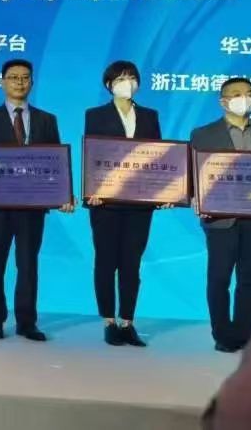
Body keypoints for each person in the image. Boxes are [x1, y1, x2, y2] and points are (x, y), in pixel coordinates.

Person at [0, 58, 74, 342]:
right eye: (13, 77)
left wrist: (64, 195)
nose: (19, 82)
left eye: (25, 77)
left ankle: (27, 322)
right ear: (2, 82)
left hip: (32, 208)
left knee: (28, 264)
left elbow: (55, 163)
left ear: (32, 82)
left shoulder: (47, 120)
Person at [84, 61, 169, 348]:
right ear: (109, 84)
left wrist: (164, 192)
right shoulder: (95, 115)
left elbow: (158, 157)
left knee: (132, 264)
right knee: (106, 262)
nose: (127, 82)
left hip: (139, 203)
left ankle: (127, 322)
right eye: (121, 78)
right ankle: (109, 322)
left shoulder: (150, 116)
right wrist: (91, 191)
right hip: (105, 203)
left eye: (132, 77)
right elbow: (93, 156)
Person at [190, 77, 251, 353]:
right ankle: (222, 334)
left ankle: (245, 333)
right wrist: (195, 198)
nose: (244, 99)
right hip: (220, 218)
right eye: (236, 94)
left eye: (249, 93)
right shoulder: (203, 134)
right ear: (223, 101)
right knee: (219, 278)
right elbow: (192, 175)